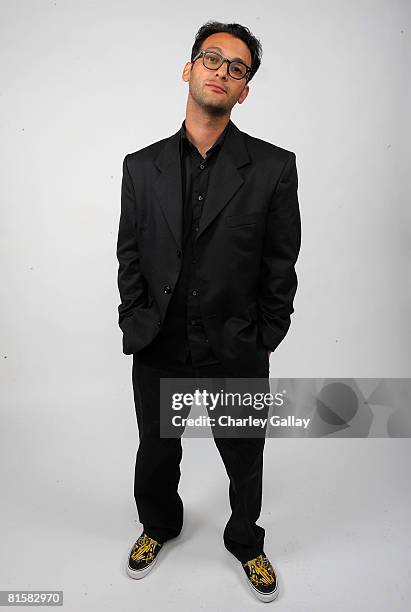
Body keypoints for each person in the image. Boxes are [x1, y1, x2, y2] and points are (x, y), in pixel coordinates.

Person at [116, 20, 301, 603]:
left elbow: (280, 262)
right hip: (159, 342)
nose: (222, 71)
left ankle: (247, 541)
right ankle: (158, 525)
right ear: (189, 68)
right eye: (212, 59)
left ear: (245, 90)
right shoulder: (141, 166)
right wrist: (135, 318)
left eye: (237, 67)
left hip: (236, 345)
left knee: (245, 454)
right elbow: (129, 252)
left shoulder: (273, 167)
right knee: (157, 448)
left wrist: (264, 335)